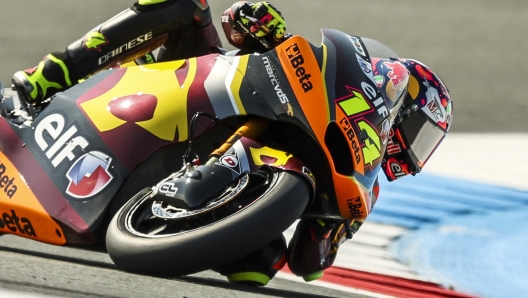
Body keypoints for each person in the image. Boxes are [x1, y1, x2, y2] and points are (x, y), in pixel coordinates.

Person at [10, 0, 453, 286]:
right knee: (188, 5)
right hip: (179, 90)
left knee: (259, 265)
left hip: (176, 183)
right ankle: (46, 78)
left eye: (424, 145)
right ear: (397, 98)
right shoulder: (327, 82)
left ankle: (163, 225)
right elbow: (239, 23)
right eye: (419, 134)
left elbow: (308, 265)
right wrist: (262, 27)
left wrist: (330, 225)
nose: (413, 151)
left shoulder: (363, 187)